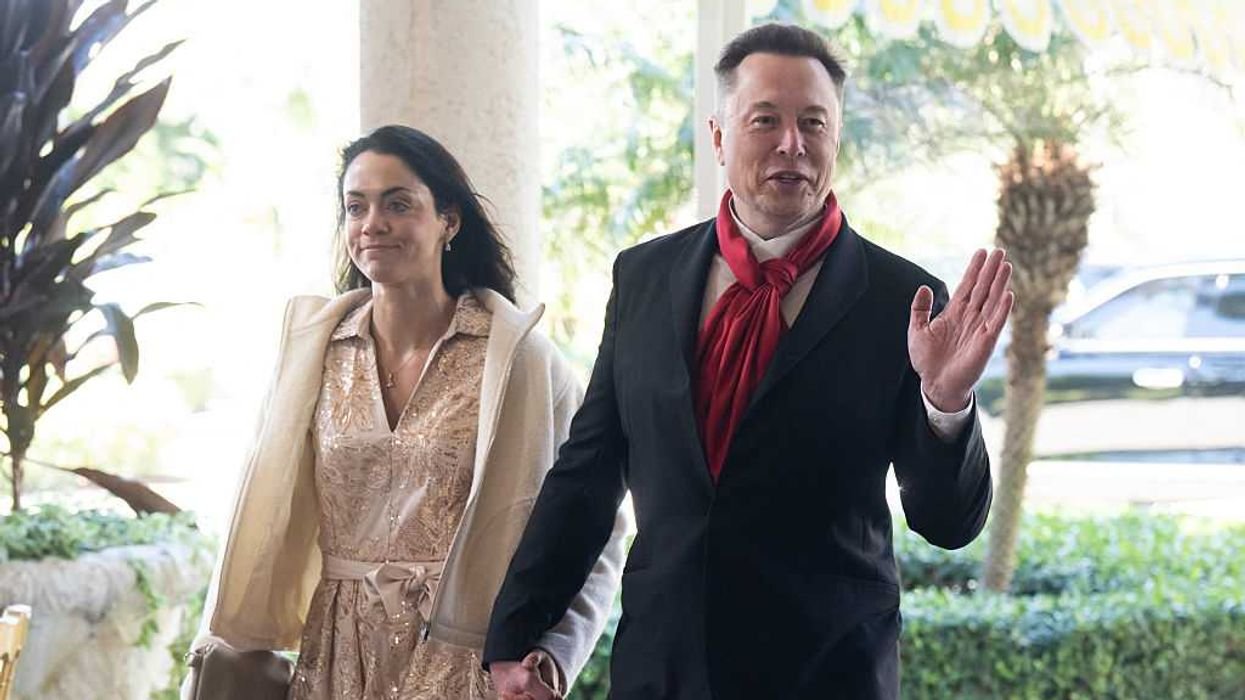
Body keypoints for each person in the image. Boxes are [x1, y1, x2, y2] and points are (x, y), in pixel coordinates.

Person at [484, 24, 1012, 700]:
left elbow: (948, 524)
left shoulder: (902, 301)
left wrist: (945, 405)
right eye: (765, 120)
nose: (792, 143)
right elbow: (588, 471)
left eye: (813, 123)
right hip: (662, 665)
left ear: (836, 139)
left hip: (826, 672)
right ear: (717, 136)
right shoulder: (643, 276)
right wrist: (516, 635)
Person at [187, 125, 625, 700]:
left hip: (469, 665)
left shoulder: (519, 360)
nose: (373, 224)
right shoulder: (310, 355)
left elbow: (594, 520)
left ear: (449, 221)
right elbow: (254, 513)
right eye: (356, 206)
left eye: (398, 204)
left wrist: (552, 656)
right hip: (335, 664)